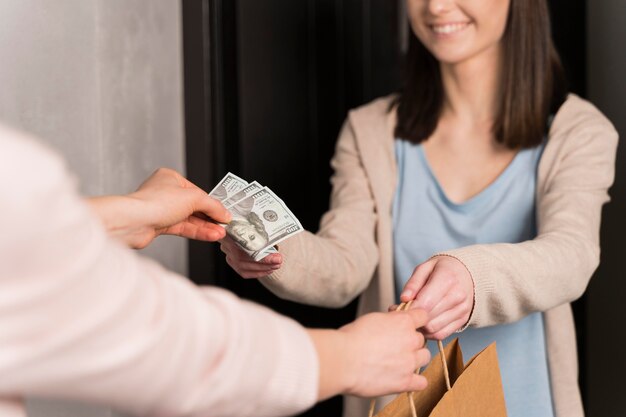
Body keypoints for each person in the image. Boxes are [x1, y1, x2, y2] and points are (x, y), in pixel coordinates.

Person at [220, 0, 619, 416]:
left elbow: (572, 255)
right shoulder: (369, 130)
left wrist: (471, 278)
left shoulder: (578, 131)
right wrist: (276, 252)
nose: (436, 6)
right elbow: (345, 266)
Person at [0, 123, 433, 417]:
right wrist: (347, 357)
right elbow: (166, 341)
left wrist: (133, 213)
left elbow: (25, 241)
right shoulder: (370, 128)